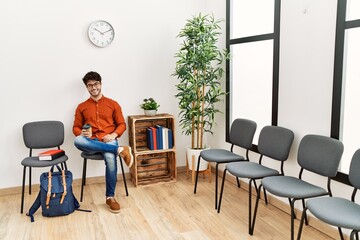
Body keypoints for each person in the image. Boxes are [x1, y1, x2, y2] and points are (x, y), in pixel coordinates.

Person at [73, 71, 133, 213]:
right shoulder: (81, 107)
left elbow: (122, 124)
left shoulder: (113, 104)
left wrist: (114, 134)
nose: (93, 87)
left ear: (100, 84)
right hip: (90, 141)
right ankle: (120, 150)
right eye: (89, 85)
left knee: (110, 160)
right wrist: (81, 132)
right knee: (77, 140)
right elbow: (75, 127)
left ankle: (110, 198)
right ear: (86, 88)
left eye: (96, 84)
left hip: (109, 140)